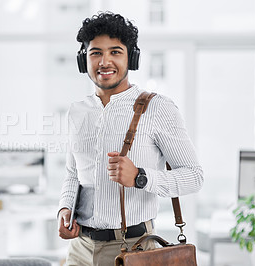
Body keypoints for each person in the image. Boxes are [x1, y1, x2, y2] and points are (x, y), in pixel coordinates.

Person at [57, 11, 204, 266]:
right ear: (84, 60)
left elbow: (194, 176)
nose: (104, 62)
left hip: (133, 250)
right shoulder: (77, 111)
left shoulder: (158, 108)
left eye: (115, 52)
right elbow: (73, 173)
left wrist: (140, 177)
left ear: (131, 58)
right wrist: (64, 209)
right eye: (96, 53)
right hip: (79, 249)